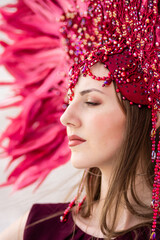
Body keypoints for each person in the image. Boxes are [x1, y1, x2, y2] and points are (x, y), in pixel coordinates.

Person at [0, 0, 160, 239]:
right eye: (68, 102)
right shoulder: (33, 229)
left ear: (150, 114)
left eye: (91, 102)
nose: (65, 118)